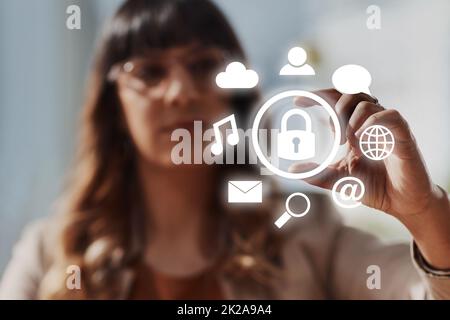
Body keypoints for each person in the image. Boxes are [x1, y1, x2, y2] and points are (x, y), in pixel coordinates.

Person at [1, 0, 450, 300]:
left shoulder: (304, 234)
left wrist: (424, 212)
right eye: (150, 72)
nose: (179, 92)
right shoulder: (51, 251)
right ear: (113, 105)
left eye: (202, 66)